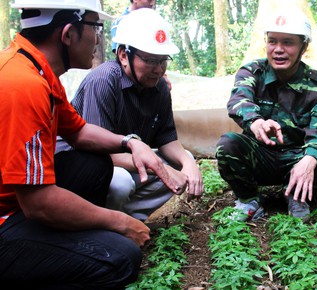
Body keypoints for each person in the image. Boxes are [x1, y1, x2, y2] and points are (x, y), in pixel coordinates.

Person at [0, 0, 186, 288]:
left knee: (93, 163)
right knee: (121, 258)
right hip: (8, 218)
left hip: (20, 206)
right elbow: (37, 202)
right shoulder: (23, 86)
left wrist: (131, 142)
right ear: (68, 34)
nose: (98, 38)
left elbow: (79, 132)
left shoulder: (38, 72)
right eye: (94, 27)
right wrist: (119, 222)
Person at [56, 8, 204, 221]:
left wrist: (189, 165)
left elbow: (167, 138)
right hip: (84, 166)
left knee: (184, 159)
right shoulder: (104, 80)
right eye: (150, 60)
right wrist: (159, 167)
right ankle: (103, 224)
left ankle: (130, 218)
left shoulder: (159, 86)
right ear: (124, 55)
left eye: (163, 60)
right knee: (120, 182)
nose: (158, 69)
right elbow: (99, 154)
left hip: (129, 160)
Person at [215, 9, 317, 222]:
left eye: (288, 43)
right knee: (228, 145)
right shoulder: (252, 71)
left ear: (303, 47)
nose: (278, 50)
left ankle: (295, 194)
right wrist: (255, 121)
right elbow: (239, 100)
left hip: (295, 157)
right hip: (261, 155)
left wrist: (309, 160)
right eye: (272, 41)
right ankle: (249, 200)